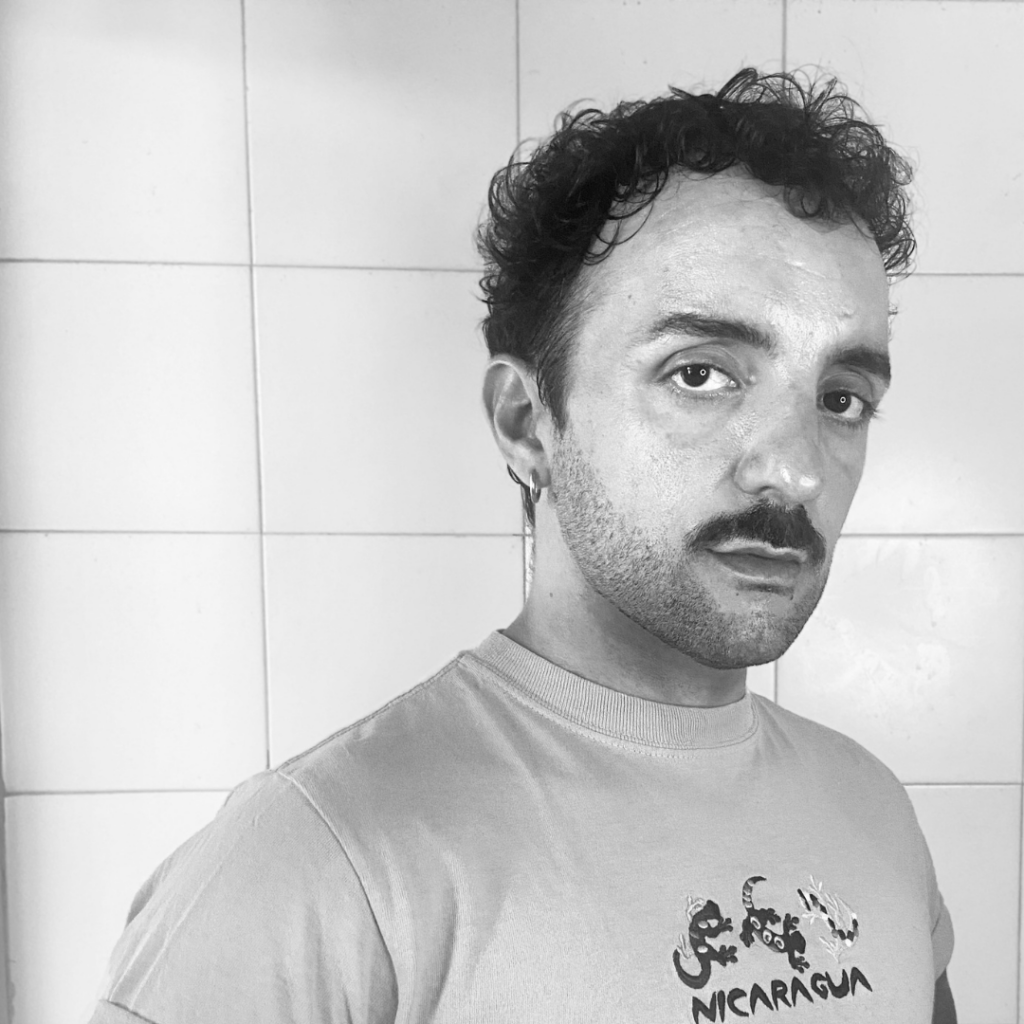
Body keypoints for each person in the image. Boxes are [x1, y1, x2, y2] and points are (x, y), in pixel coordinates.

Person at [89, 68, 956, 1024]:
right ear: (526, 421)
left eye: (841, 398)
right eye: (700, 374)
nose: (795, 471)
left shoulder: (874, 812)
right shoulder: (311, 870)